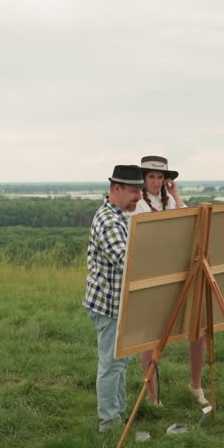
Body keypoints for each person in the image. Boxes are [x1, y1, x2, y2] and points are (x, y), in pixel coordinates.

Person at [133, 155, 208, 408]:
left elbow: (189, 221)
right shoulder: (137, 201)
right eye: (151, 177)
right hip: (153, 272)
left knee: (196, 329)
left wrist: (176, 196)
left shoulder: (170, 199)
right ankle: (152, 395)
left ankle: (195, 385)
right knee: (151, 336)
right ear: (143, 179)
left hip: (180, 269)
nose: (155, 182)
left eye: (160, 177)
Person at [83, 164, 143, 433]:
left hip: (120, 304)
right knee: (111, 364)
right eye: (133, 191)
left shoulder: (120, 216)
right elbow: (125, 260)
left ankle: (118, 413)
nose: (139, 197)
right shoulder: (109, 220)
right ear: (116, 188)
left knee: (120, 363)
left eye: (140, 191)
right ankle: (110, 424)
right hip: (109, 305)